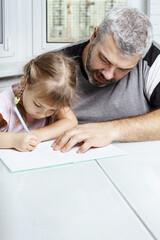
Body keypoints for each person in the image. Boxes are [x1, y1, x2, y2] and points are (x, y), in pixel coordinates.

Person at [52, 5, 160, 154]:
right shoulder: (56, 64)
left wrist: (112, 130)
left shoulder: (153, 60)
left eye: (123, 69)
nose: (108, 75)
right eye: (104, 59)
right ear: (94, 36)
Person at [0, 51, 77, 152]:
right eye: (37, 105)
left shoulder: (51, 100)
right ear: (23, 83)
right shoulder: (3, 105)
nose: (42, 114)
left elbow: (71, 122)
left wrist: (39, 134)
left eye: (53, 110)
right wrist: (14, 140)